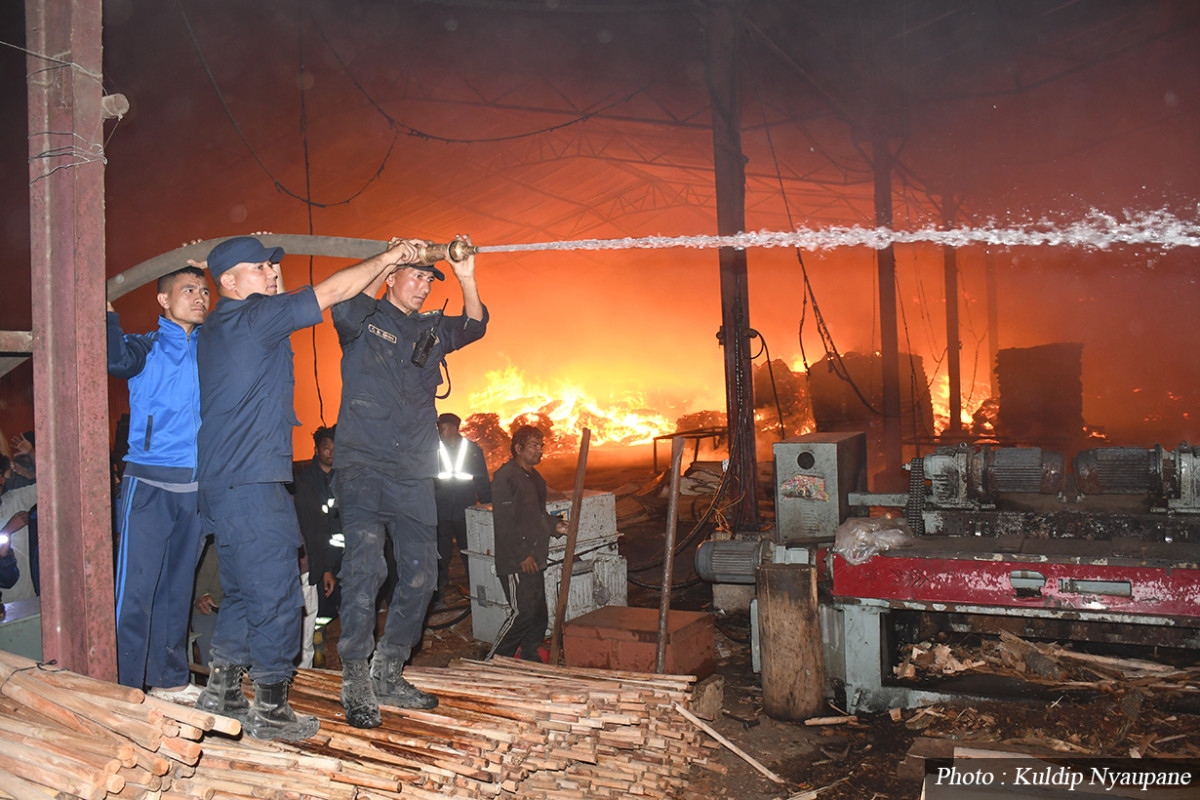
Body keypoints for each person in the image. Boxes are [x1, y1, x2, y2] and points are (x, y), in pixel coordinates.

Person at [194, 234, 421, 741]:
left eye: (274, 266)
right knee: (277, 593)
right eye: (260, 267)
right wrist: (388, 258)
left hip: (223, 482)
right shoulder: (253, 315)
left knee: (241, 593)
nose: (274, 273)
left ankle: (224, 690)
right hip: (252, 481)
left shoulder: (216, 327)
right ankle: (271, 709)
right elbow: (332, 291)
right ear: (230, 282)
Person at [332, 236, 487, 729]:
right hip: (362, 464)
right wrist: (389, 258)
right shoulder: (362, 321)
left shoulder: (435, 330)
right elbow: (342, 304)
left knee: (423, 573)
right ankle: (355, 674)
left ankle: (389, 670)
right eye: (415, 276)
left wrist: (464, 274)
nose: (422, 285)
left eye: (427, 278)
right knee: (365, 570)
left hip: (414, 470)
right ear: (394, 277)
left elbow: (478, 324)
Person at [107, 265, 209, 701]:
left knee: (176, 591)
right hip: (148, 483)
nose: (201, 297)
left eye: (205, 290)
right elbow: (114, 360)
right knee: (136, 592)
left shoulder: (213, 349)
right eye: (189, 290)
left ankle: (169, 680)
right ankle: (124, 687)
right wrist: (105, 314)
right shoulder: (145, 347)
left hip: (195, 487)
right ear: (164, 300)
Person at [489, 425, 568, 663]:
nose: (540, 450)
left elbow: (536, 515)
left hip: (535, 556)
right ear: (518, 448)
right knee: (522, 613)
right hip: (517, 561)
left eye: (541, 445)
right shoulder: (506, 478)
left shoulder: (535, 478)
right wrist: (522, 555)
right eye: (534, 445)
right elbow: (504, 522)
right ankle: (494, 661)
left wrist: (556, 526)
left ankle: (530, 656)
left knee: (538, 613)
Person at [293, 425, 342, 667]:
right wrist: (323, 566)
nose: (331, 453)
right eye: (326, 448)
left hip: (344, 556)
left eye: (335, 448)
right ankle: (317, 646)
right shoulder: (306, 483)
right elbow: (312, 530)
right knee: (318, 612)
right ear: (316, 450)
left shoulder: (344, 477)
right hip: (320, 558)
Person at [433, 412, 491, 606]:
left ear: (453, 428)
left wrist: (487, 505)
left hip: (465, 511)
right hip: (440, 512)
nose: (439, 429)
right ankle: (438, 594)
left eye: (442, 426)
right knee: (441, 554)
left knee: (470, 553)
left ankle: (477, 594)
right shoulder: (433, 449)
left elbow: (481, 478)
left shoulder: (472, 449)